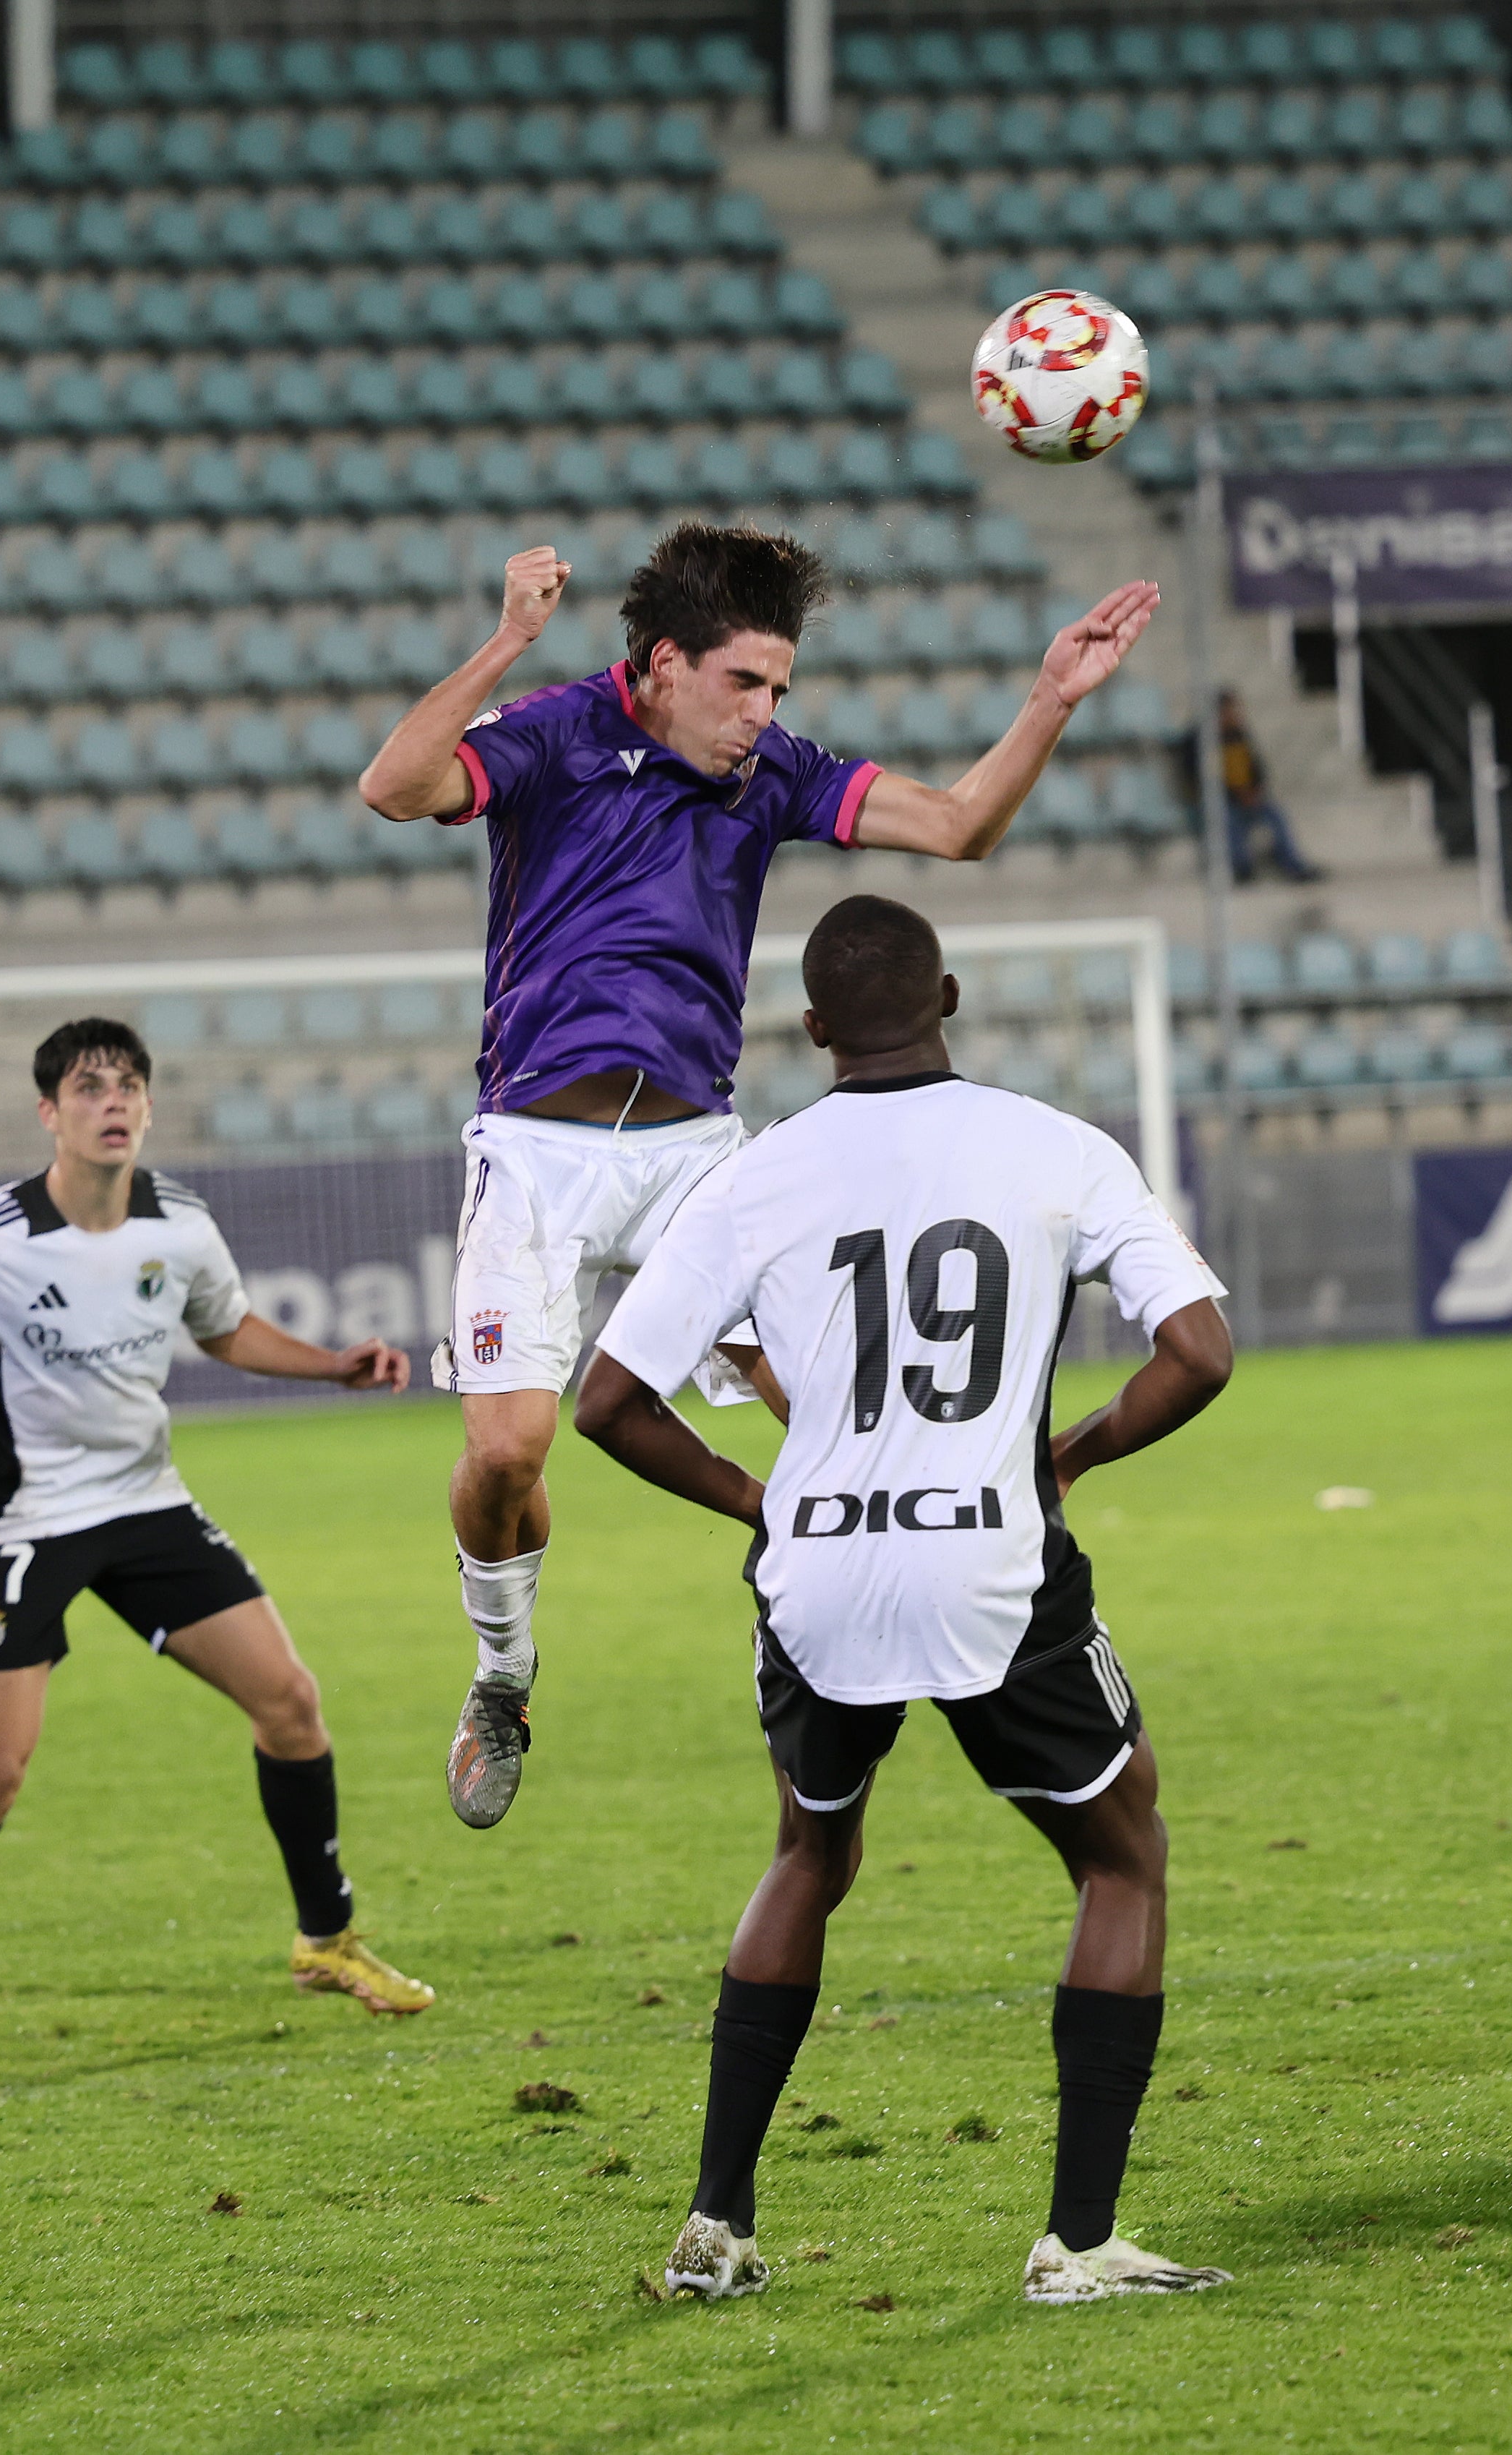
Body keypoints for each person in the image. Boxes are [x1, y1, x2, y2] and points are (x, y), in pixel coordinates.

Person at [357, 522, 1161, 1832]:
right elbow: (393, 788)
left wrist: (1046, 701)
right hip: (537, 1148)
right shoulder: (551, 732)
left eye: (779, 688)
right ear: (664, 665)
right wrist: (506, 640)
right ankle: (503, 1672)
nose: (765, 713)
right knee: (507, 1450)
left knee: (832, 1409)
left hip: (698, 1156)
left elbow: (957, 826)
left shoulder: (770, 776)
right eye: (745, 683)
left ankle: (984, 1595)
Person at [575, 895, 1237, 2307]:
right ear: (947, 994)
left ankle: (715, 2223)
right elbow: (1198, 1353)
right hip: (989, 1549)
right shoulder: (1057, 1147)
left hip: (812, 1568)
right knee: (1122, 1859)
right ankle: (1078, 2241)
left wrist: (760, 1496)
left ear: (810, 1030)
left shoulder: (750, 1180)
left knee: (809, 1857)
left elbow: (606, 1405)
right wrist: (1075, 1448)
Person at [0, 1017, 434, 2070]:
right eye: (90, 1088)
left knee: (291, 1703)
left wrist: (334, 1366)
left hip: (144, 1505)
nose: (113, 1103)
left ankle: (326, 1940)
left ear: (146, 1108)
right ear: (49, 1114)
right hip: (21, 1520)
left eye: (128, 1086)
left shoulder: (178, 1223)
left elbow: (223, 1326)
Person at [1186, 690, 1320, 883]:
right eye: (1230, 710)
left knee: (1276, 815)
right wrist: (1235, 794)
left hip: (1249, 797)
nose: (1235, 715)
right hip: (1222, 800)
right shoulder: (1199, 740)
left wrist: (1255, 791)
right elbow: (1201, 778)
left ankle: (1293, 865)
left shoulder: (1240, 735)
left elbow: (1257, 769)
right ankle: (1242, 869)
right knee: (1228, 819)